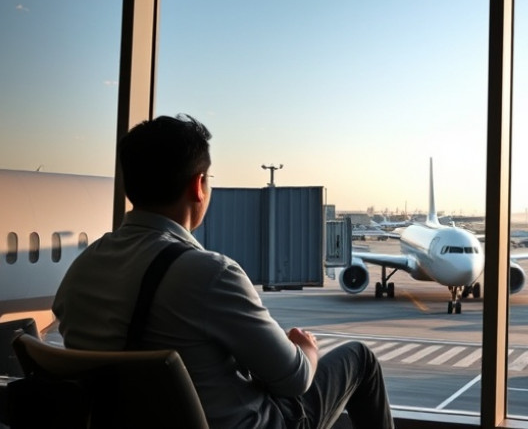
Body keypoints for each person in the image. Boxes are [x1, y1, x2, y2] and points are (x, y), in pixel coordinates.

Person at [53, 114, 393, 429]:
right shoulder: (210, 273)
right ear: (198, 186)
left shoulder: (83, 268)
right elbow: (295, 379)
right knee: (360, 359)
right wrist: (307, 349)